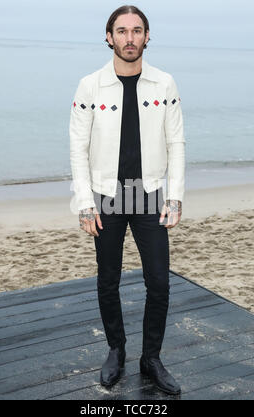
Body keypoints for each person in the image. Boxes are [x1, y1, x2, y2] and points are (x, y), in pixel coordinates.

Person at [69, 5, 186, 396]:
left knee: (159, 282)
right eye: (122, 31)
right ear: (109, 37)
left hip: (151, 194)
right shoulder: (90, 86)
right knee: (108, 279)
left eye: (137, 31)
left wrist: (176, 197)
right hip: (106, 196)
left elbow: (176, 143)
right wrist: (85, 202)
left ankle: (150, 358)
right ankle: (116, 351)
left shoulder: (165, 83)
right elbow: (77, 148)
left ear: (147, 36)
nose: (130, 38)